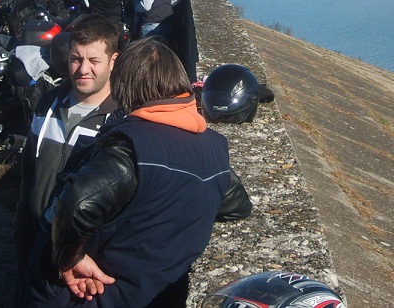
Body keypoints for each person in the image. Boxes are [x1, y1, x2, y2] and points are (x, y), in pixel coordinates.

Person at [17, 38, 251, 307]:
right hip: (162, 293)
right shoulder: (214, 149)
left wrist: (70, 258)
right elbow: (237, 205)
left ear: (126, 88)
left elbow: (78, 204)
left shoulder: (129, 146)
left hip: (95, 294)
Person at [14, 15, 122, 297]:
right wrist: (23, 235)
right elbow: (29, 174)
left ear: (113, 61)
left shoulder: (121, 121)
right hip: (37, 245)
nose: (83, 69)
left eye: (94, 61)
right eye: (76, 59)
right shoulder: (48, 103)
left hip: (86, 262)